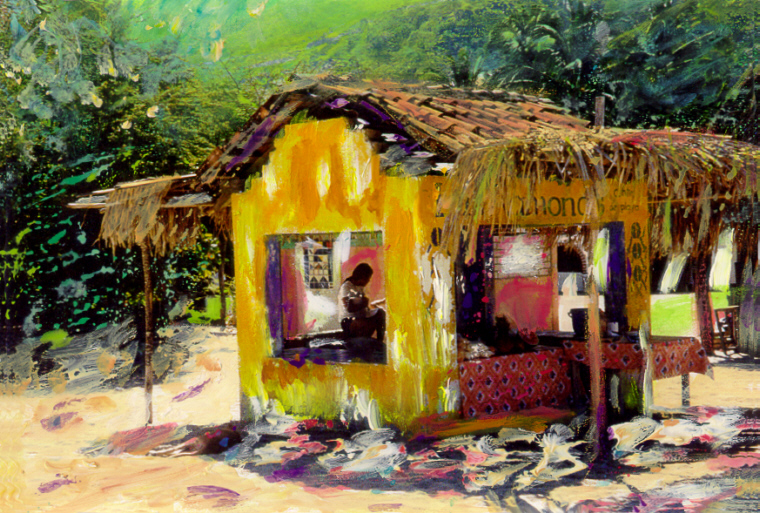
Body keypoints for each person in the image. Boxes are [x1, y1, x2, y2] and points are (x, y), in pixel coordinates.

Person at [339, 263, 386, 342]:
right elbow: (349, 308)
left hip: (361, 316)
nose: (368, 281)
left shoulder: (359, 287)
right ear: (362, 277)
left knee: (380, 313)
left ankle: (379, 341)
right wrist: (363, 303)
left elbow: (365, 305)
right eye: (368, 278)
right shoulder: (346, 286)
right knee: (362, 324)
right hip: (349, 320)